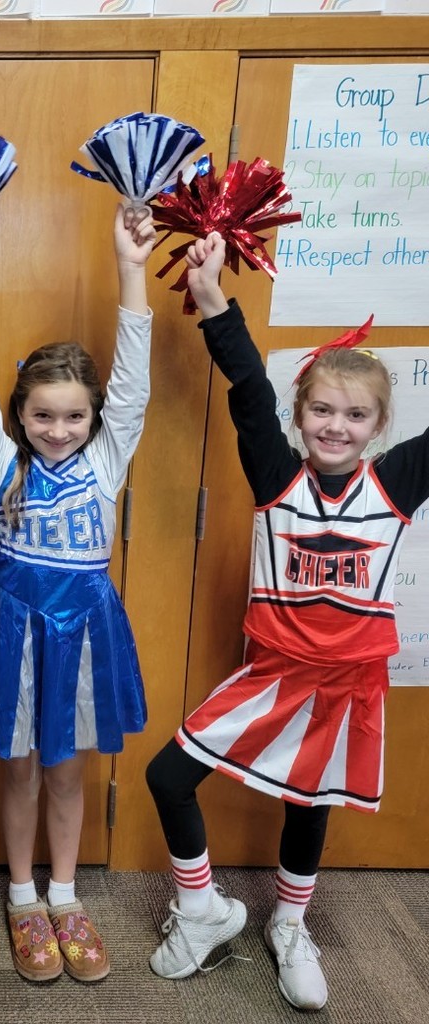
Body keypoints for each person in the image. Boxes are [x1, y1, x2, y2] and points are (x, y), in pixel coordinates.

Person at [145, 231, 428, 1011]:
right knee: (167, 777)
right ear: (299, 415)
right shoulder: (276, 475)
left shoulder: (396, 486)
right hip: (273, 675)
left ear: (379, 425)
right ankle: (201, 910)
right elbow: (245, 384)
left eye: (356, 414)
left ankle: (290, 925)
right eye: (322, 409)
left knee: (309, 805)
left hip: (347, 684)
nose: (337, 425)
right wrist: (211, 298)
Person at [0, 204, 156, 982]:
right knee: (21, 770)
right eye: (43, 414)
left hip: (85, 634)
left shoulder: (106, 462)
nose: (58, 429)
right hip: (15, 633)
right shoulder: (1, 462)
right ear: (20, 413)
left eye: (74, 416)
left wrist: (131, 268)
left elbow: (132, 381)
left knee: (69, 771)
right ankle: (22, 897)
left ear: (95, 418)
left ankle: (65, 895)